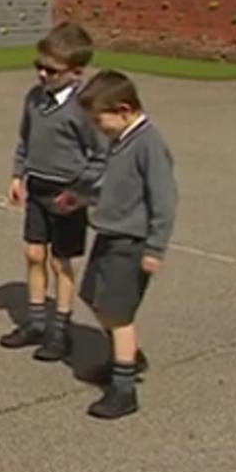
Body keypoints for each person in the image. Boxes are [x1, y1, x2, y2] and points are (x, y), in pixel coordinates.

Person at [0, 22, 106, 364]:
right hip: (38, 186)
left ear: (76, 72)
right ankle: (36, 321)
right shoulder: (34, 98)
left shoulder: (84, 108)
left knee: (61, 262)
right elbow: (25, 139)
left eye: (52, 70)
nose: (43, 74)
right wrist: (18, 174)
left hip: (67, 194)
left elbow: (99, 155)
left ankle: (60, 329)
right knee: (33, 254)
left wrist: (79, 191)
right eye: (38, 66)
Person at [75, 70, 178, 420]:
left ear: (123, 109)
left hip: (131, 242)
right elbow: (108, 184)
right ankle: (127, 356)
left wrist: (155, 248)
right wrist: (80, 198)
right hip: (108, 233)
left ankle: (124, 389)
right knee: (94, 298)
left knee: (119, 314)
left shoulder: (149, 143)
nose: (98, 128)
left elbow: (164, 200)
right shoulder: (119, 140)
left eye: (99, 121)